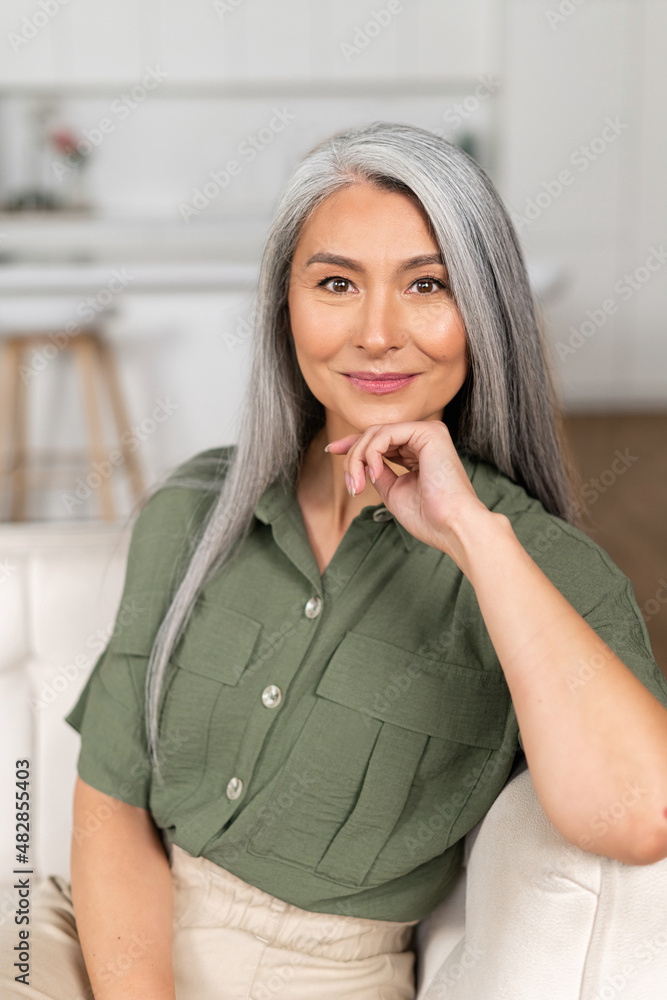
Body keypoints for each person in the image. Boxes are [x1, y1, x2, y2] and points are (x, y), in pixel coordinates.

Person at [3, 120, 667, 999]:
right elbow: (112, 801)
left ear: (486, 312)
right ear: (284, 308)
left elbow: (636, 818)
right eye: (336, 283)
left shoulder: (533, 563)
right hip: (90, 939)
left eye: (427, 284)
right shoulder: (192, 509)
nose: (377, 333)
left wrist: (470, 533)